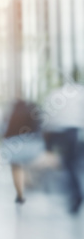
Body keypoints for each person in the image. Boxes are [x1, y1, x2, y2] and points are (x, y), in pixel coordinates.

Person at [42, 75, 84, 213]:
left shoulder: (55, 94)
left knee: (68, 164)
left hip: (61, 133)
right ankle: (75, 191)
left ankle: (74, 193)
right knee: (74, 164)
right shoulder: (80, 92)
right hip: (77, 131)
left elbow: (47, 117)